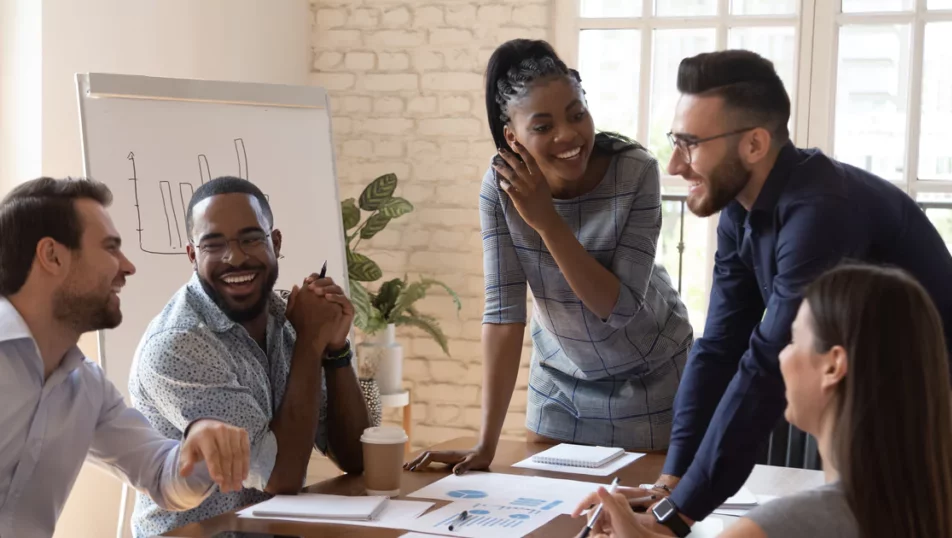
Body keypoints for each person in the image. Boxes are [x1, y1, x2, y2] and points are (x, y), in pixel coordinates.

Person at [608, 49, 952, 531]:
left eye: (690, 143)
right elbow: (722, 347)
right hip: (859, 416)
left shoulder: (820, 214)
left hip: (930, 426)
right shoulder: (741, 209)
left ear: (753, 144)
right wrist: (672, 484)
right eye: (674, 140)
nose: (675, 165)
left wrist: (677, 517)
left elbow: (767, 364)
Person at [405, 39, 694, 472]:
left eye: (577, 115)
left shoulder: (636, 171)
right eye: (542, 127)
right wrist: (485, 445)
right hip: (560, 385)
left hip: (653, 378)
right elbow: (503, 315)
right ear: (512, 136)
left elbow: (616, 308)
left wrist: (546, 220)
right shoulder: (499, 188)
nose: (567, 135)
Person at [575, 265, 952, 538]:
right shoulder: (920, 509)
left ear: (834, 366)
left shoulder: (788, 524)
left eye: (793, 340)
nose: (782, 357)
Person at [0, 177, 251, 538]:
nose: (128, 266)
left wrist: (201, 440)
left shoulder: (86, 386)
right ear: (52, 256)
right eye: (110, 248)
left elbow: (164, 478)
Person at [128, 176, 370, 536]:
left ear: (275, 242)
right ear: (192, 255)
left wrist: (335, 349)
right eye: (214, 244)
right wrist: (309, 342)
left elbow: (356, 457)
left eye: (251, 239)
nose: (235, 257)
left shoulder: (285, 316)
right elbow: (280, 476)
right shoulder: (179, 344)